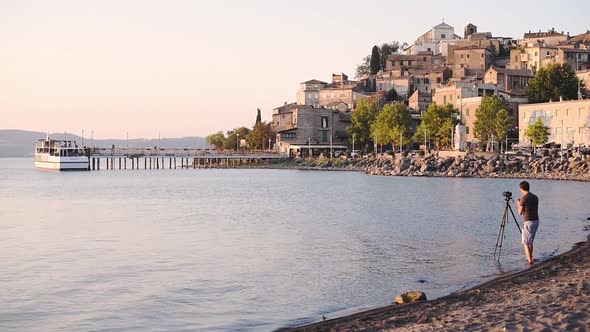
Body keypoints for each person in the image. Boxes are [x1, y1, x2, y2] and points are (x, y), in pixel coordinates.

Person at [516, 181, 539, 264]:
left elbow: (519, 212)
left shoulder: (524, 198)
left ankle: (529, 260)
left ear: (521, 189)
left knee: (525, 242)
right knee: (531, 241)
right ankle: (531, 257)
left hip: (528, 221)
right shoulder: (535, 197)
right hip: (536, 220)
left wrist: (519, 204)